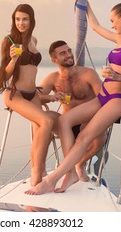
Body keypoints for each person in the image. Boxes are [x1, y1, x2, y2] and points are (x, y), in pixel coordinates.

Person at [25, 1, 121, 195]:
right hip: (103, 97)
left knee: (84, 136)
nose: (112, 24)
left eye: (113, 20)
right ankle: (71, 172)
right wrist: (84, 0)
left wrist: (118, 77)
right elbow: (95, 27)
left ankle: (52, 180)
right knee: (65, 120)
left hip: (119, 99)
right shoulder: (118, 39)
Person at [0, 4, 54, 186]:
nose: (21, 23)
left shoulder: (34, 39)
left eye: (25, 19)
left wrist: (47, 94)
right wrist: (13, 59)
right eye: (17, 19)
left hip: (32, 93)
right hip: (15, 94)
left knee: (42, 130)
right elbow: (5, 75)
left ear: (31, 20)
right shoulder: (9, 40)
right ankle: (36, 174)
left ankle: (40, 169)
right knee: (47, 121)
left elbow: (32, 70)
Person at [38, 40, 106, 182]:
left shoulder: (88, 74)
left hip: (88, 122)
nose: (69, 55)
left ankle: (79, 164)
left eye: (69, 51)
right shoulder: (53, 78)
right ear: (54, 59)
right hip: (66, 125)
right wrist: (51, 97)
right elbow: (37, 97)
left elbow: (103, 98)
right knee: (43, 118)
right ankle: (39, 167)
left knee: (100, 137)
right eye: (63, 53)